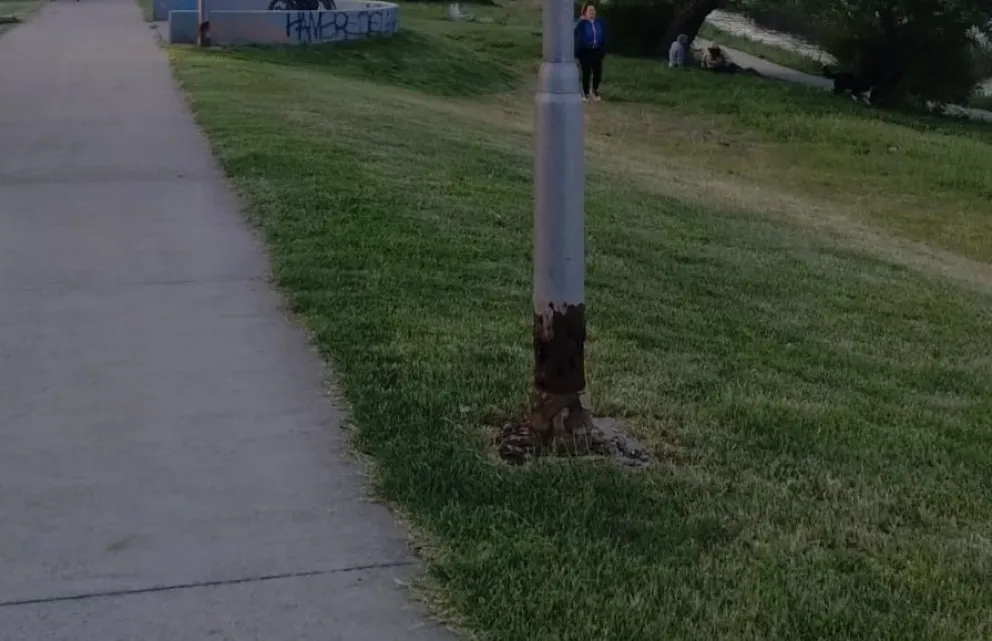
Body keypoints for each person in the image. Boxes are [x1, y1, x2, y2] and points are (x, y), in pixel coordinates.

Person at [573, 3, 606, 102]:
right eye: (590, 10)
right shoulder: (581, 24)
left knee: (597, 72)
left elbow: (603, 35)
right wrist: (580, 21)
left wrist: (603, 48)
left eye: (594, 10)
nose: (592, 12)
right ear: (585, 12)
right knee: (586, 72)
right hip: (585, 52)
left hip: (596, 50)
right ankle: (585, 92)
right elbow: (574, 31)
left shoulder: (599, 22)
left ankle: (594, 90)